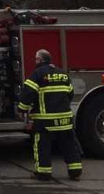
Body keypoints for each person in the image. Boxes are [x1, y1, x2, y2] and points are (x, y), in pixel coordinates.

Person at [17, 49, 83, 181]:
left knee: (42, 147)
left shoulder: (37, 74)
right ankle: (75, 171)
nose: (35, 61)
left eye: (36, 58)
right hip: (65, 119)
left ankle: (44, 173)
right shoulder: (62, 74)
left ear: (40, 60)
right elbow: (70, 93)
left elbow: (28, 93)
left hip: (45, 121)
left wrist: (22, 109)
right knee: (69, 145)